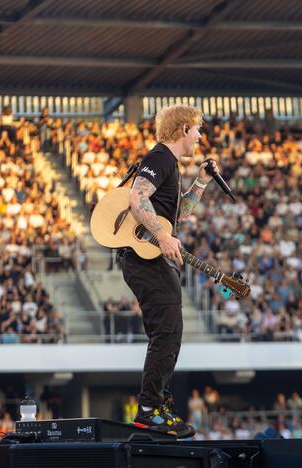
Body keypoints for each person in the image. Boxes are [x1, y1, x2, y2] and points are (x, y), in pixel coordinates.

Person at [120, 104, 219, 437]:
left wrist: (202, 182)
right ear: (183, 130)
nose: (200, 136)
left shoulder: (171, 165)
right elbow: (137, 198)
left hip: (149, 255)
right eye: (198, 130)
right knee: (168, 329)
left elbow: (178, 216)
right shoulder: (160, 158)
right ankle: (149, 409)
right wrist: (162, 236)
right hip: (144, 256)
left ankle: (156, 405)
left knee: (169, 329)